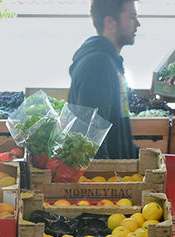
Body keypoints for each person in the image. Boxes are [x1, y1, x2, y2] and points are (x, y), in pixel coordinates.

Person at [68, 0, 140, 159]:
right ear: (110, 23)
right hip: (106, 180)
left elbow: (116, 127)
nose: (138, 23)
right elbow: (91, 140)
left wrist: (138, 154)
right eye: (132, 17)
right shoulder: (98, 65)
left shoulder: (111, 63)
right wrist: (109, 181)